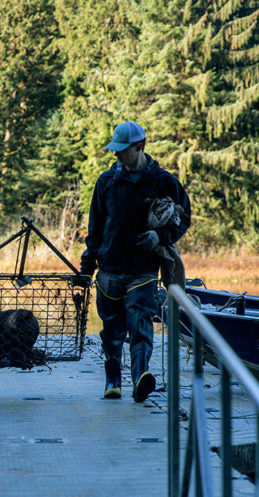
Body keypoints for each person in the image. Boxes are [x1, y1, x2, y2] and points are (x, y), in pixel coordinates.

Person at [79, 121, 192, 402]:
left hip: (143, 270)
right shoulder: (106, 182)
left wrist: (160, 235)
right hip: (108, 272)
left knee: (141, 323)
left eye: (121, 150)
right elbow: (94, 229)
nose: (116, 155)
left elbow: (184, 217)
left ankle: (141, 375)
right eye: (114, 150)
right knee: (112, 331)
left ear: (139, 147)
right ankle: (113, 381)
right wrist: (86, 268)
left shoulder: (162, 181)